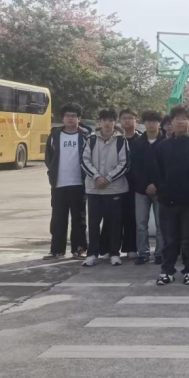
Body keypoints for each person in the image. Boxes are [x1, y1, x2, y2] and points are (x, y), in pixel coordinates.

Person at [153, 107, 189, 285]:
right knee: (169, 239)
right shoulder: (162, 146)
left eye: (184, 118)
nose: (180, 122)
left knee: (188, 239)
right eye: (177, 118)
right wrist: (163, 188)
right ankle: (167, 270)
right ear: (171, 122)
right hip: (167, 201)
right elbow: (156, 171)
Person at [80, 109, 130, 267]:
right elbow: (84, 160)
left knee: (115, 223)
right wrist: (96, 177)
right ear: (99, 122)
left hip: (115, 189)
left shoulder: (121, 141)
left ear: (115, 122)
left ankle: (114, 253)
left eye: (110, 120)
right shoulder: (91, 139)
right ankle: (92, 254)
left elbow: (125, 163)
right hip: (94, 189)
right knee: (94, 223)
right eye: (104, 120)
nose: (107, 123)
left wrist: (108, 178)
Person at [44, 102, 89, 261]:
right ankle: (56, 250)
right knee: (58, 219)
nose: (70, 118)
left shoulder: (86, 135)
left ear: (79, 118)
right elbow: (49, 157)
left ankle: (79, 249)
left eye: (74, 116)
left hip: (79, 183)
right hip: (59, 184)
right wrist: (52, 172)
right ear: (62, 118)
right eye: (67, 116)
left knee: (79, 218)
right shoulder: (55, 135)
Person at [130, 110, 165, 265]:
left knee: (161, 224)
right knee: (141, 224)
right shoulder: (137, 143)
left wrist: (156, 185)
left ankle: (160, 253)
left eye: (154, 121)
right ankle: (143, 252)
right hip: (141, 190)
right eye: (148, 121)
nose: (151, 124)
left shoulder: (165, 142)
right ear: (143, 123)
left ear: (159, 123)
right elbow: (133, 167)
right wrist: (144, 185)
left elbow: (167, 168)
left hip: (161, 191)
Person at [117, 108, 141, 260]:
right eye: (124, 118)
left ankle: (131, 247)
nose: (127, 120)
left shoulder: (141, 139)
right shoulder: (115, 138)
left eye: (130, 118)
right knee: (114, 217)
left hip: (135, 184)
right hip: (116, 182)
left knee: (132, 217)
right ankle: (111, 248)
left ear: (136, 120)